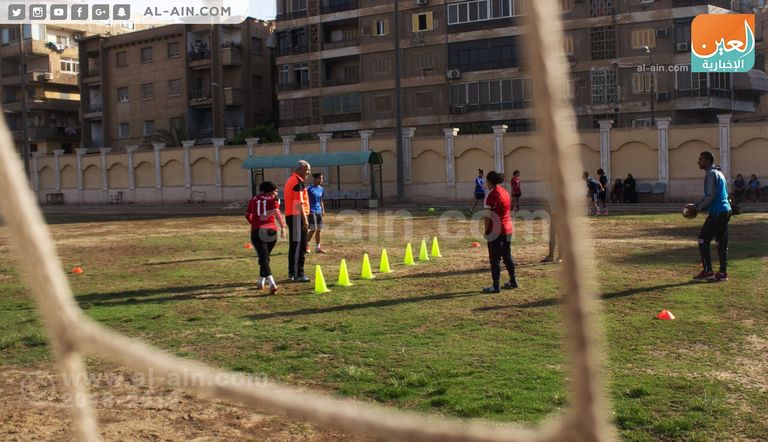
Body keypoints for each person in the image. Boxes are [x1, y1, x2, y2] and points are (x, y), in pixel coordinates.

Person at [686, 151, 732, 282]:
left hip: (717, 212)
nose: (698, 162)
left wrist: (697, 209)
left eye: (700, 159)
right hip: (726, 211)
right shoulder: (719, 173)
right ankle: (723, 273)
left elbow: (710, 196)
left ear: (706, 160)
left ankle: (708, 271)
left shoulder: (711, 175)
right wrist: (696, 206)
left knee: (702, 239)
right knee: (721, 242)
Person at [245, 181, 286, 295]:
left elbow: (247, 214)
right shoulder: (274, 199)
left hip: (257, 231)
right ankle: (261, 281)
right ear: (269, 190)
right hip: (271, 231)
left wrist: (253, 224)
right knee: (265, 257)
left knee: (264, 258)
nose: (276, 192)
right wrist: (283, 227)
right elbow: (277, 212)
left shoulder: (253, 199)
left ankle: (271, 282)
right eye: (275, 190)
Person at [481, 171, 518, 293]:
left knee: (495, 259)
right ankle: (513, 281)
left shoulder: (490, 195)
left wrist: (486, 230)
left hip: (495, 230)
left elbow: (487, 216)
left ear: (490, 181)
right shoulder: (505, 192)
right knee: (507, 255)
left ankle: (496, 286)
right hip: (508, 228)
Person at [284, 160, 311, 282]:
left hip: (293, 216)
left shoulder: (291, 180)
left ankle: (292, 272)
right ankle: (298, 274)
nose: (308, 173)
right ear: (300, 169)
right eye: (307, 170)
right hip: (297, 217)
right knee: (300, 246)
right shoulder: (297, 182)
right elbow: (298, 203)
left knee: (295, 245)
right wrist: (304, 219)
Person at [306, 172, 326, 253]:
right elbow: (305, 200)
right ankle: (305, 245)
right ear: (315, 179)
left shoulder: (321, 189)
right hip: (311, 211)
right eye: (320, 178)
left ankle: (318, 248)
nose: (321, 180)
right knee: (313, 229)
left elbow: (321, 200)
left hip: (318, 211)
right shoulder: (309, 189)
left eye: (322, 178)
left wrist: (323, 210)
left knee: (319, 229)